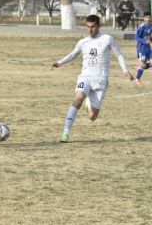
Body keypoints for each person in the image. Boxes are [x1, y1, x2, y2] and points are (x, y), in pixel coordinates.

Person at [52, 14, 134, 143]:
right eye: (88, 27)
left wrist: (125, 71)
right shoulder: (83, 42)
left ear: (99, 26)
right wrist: (60, 62)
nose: (90, 30)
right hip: (85, 77)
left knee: (92, 117)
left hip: (101, 80)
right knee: (78, 99)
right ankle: (65, 133)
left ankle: (89, 101)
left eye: (93, 27)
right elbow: (73, 54)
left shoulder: (108, 39)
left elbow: (119, 55)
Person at [134, 11, 152, 85]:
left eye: (150, 17)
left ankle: (140, 68)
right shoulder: (141, 27)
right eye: (147, 17)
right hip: (142, 48)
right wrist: (144, 41)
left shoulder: (151, 25)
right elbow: (136, 37)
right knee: (144, 65)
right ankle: (137, 79)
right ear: (144, 18)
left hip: (148, 48)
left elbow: (150, 37)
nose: (149, 18)